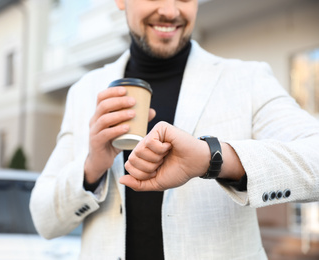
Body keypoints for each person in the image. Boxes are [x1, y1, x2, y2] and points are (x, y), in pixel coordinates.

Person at [30, 0, 319, 259]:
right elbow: (44, 219)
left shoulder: (248, 79)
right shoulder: (84, 91)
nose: (170, 11)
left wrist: (213, 159)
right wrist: (91, 167)